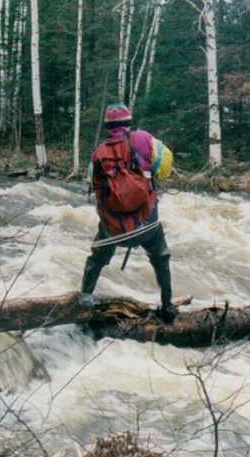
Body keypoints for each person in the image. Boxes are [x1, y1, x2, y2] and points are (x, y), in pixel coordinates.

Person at [82, 103, 177, 323]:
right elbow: (164, 169)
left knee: (95, 259)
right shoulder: (143, 139)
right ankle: (167, 307)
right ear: (128, 123)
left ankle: (84, 300)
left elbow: (93, 185)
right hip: (147, 225)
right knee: (161, 257)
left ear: (108, 126)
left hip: (113, 230)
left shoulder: (98, 153)